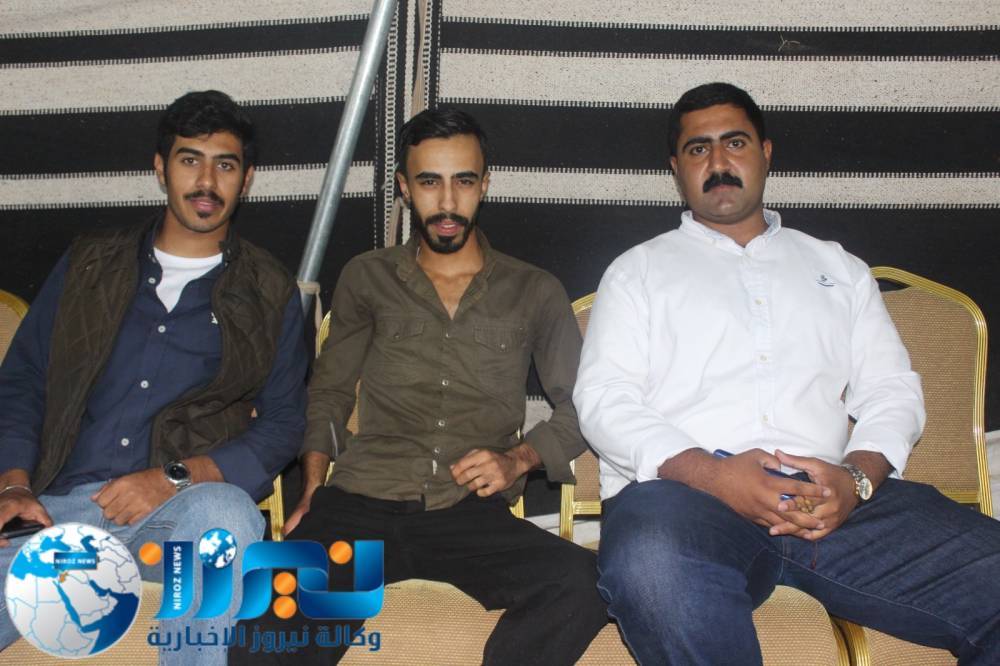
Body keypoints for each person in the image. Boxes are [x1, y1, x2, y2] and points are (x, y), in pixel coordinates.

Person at [573, 82, 1000, 664]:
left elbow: (892, 389)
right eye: (698, 149)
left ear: (765, 153)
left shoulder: (837, 267)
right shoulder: (637, 272)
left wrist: (856, 479)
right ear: (676, 168)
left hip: (833, 501)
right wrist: (714, 476)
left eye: (735, 143)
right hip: (684, 503)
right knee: (651, 566)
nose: (718, 162)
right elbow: (605, 399)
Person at [236, 107, 607, 665]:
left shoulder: (534, 289)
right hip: (361, 505)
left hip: (468, 512)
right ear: (405, 188)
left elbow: (580, 409)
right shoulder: (367, 276)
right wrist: (312, 488)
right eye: (430, 182)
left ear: (485, 184)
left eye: (464, 181)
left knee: (581, 583)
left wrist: (518, 460)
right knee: (265, 636)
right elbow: (330, 395)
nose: (448, 202)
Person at [0, 90, 308, 665]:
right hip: (59, 511)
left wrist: (173, 478)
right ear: (161, 168)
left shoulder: (269, 291)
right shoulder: (89, 264)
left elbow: (284, 425)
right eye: (190, 160)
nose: (206, 181)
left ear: (247, 180)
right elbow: (23, 381)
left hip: (179, 517)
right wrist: (13, 486)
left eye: (226, 165)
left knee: (224, 517)